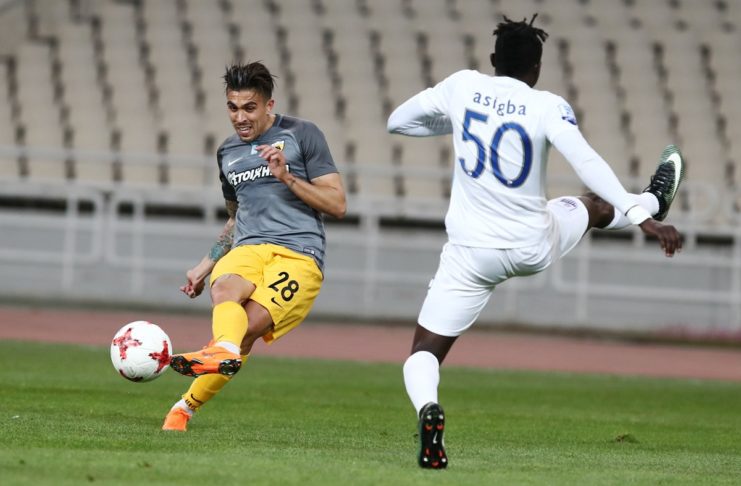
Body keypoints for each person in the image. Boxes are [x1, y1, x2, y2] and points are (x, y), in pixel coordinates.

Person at [386, 15, 684, 469]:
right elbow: (585, 160)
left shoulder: (462, 86)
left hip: (470, 254)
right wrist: (640, 217)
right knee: (592, 206)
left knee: (423, 353)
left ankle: (429, 408)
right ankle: (654, 200)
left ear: (493, 59)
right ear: (538, 67)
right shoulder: (547, 105)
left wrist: (461, 122)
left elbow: (398, 123)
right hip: (531, 244)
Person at [162, 61, 346, 431]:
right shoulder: (227, 152)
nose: (240, 117)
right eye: (232, 108)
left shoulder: (303, 134)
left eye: (249, 108)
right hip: (249, 247)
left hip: (299, 254)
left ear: (268, 105)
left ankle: (184, 407)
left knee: (244, 331)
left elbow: (338, 204)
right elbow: (236, 217)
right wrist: (203, 266)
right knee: (224, 289)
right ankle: (219, 355)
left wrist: (286, 176)